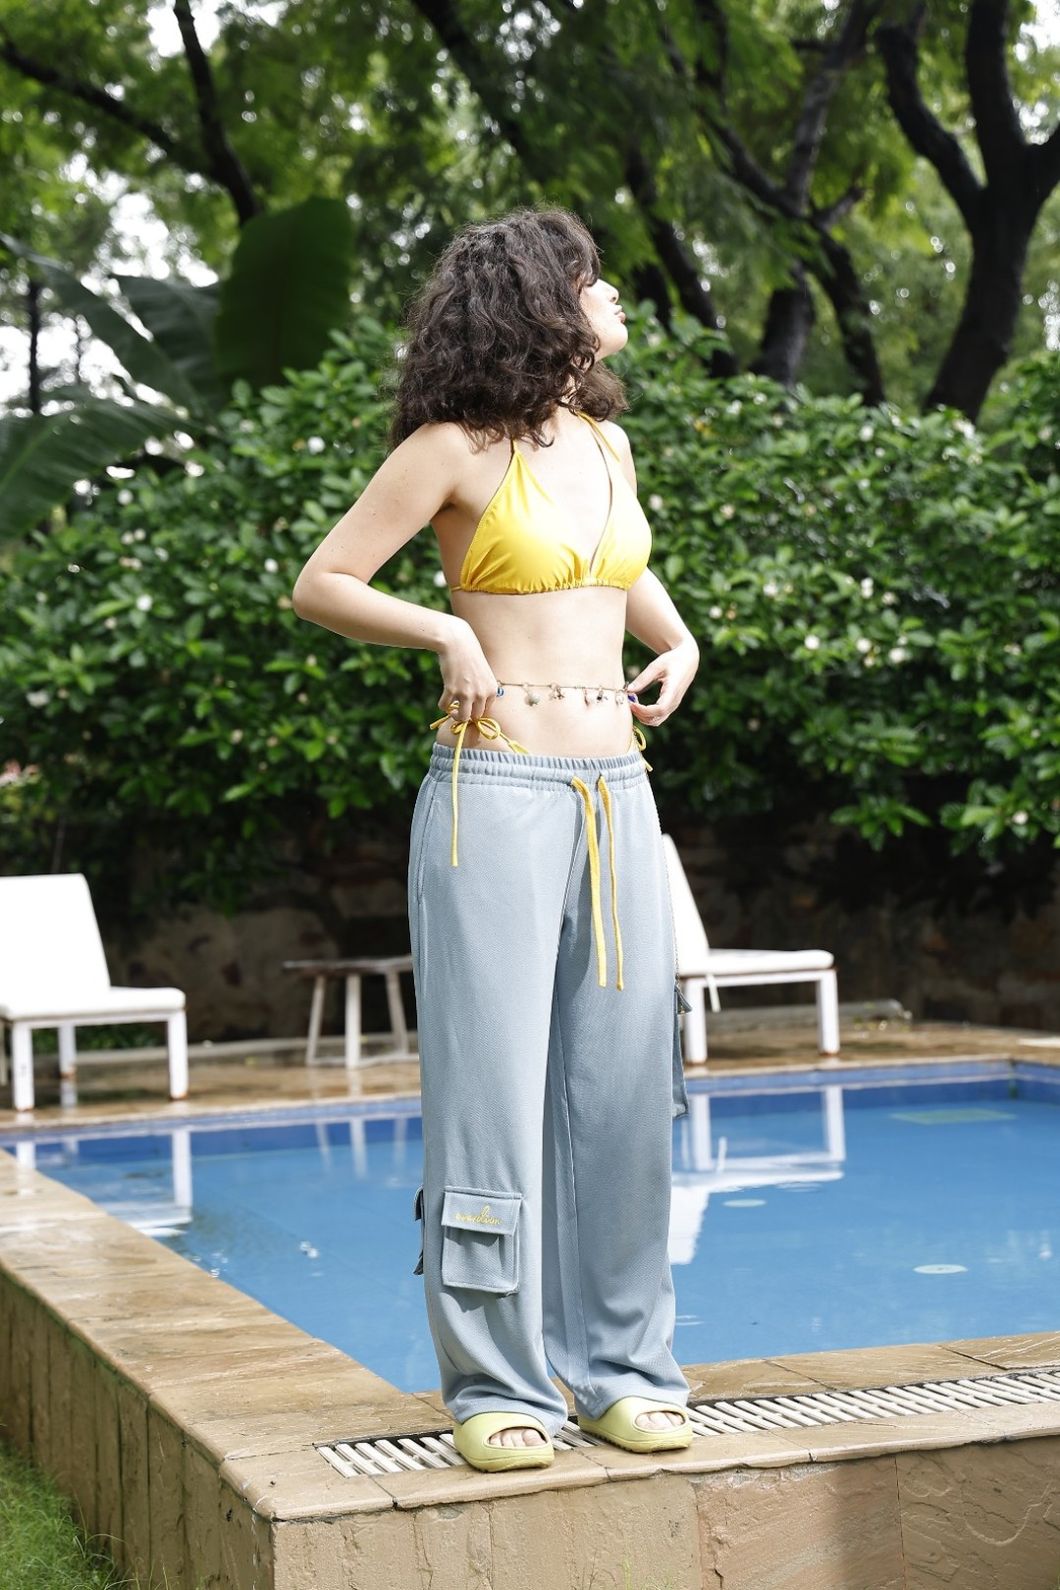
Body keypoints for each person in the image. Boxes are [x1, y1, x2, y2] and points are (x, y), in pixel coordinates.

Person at [292, 205, 700, 1473]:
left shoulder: (612, 445)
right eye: (594, 277)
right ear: (541, 298)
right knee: (493, 1102)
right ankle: (496, 1386)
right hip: (495, 792)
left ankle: (623, 1369)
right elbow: (324, 581)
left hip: (616, 793)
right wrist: (447, 631)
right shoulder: (452, 448)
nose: (615, 291)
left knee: (627, 1092)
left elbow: (616, 577)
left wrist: (679, 641)